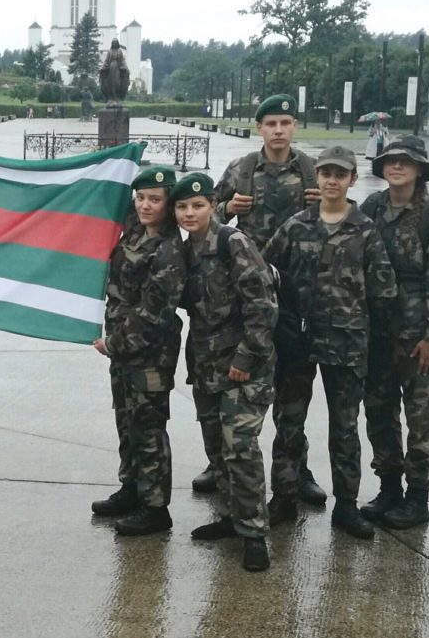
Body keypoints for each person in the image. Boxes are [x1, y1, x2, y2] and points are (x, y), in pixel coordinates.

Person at [263, 146, 397, 539]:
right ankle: (284, 497)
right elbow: (265, 269)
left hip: (348, 342)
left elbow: (384, 291)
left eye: (341, 174)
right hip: (298, 343)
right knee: (288, 421)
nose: (332, 180)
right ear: (316, 179)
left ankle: (347, 506)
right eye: (325, 173)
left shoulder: (366, 230)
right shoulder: (296, 225)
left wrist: (379, 343)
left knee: (344, 427)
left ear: (352, 179)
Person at [206, 93, 326, 506]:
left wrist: (324, 203)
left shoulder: (312, 169)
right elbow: (205, 218)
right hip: (247, 295)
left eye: (285, 123)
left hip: (297, 295)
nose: (278, 130)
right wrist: (227, 206)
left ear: (294, 127)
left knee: (294, 386)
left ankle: (297, 469)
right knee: (239, 383)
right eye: (271, 123)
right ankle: (223, 462)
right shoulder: (241, 169)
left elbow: (339, 214)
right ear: (259, 128)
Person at [172, 172, 275, 572]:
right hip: (207, 364)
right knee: (216, 447)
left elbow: (262, 306)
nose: (189, 213)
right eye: (181, 207)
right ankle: (234, 518)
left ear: (213, 205)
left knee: (241, 448)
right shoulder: (186, 250)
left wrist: (245, 360)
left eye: (197, 205)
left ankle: (255, 535)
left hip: (244, 367)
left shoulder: (233, 243)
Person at [360, 136, 429, 529]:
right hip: (378, 330)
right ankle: (388, 488)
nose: (397, 167)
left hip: (419, 334)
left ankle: (417, 496)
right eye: (391, 161)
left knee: (420, 416)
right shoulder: (372, 207)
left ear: (419, 169)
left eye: (405, 162)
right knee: (379, 410)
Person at [91, 166, 186, 537]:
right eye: (141, 198)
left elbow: (154, 313)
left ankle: (155, 507)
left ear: (169, 204)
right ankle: (131, 488)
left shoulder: (168, 249)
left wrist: (112, 343)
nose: (146, 205)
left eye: (155, 200)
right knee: (126, 423)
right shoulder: (134, 231)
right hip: (122, 351)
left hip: (150, 352)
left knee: (148, 427)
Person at [99, 39, 130, 104]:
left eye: (116, 43)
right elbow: (106, 60)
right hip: (111, 68)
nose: (115, 44)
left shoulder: (120, 51)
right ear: (112, 44)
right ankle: (111, 97)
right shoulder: (110, 51)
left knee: (117, 83)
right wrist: (103, 67)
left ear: (117, 43)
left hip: (118, 68)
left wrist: (125, 68)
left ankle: (117, 97)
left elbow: (122, 60)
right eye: (113, 43)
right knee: (111, 83)